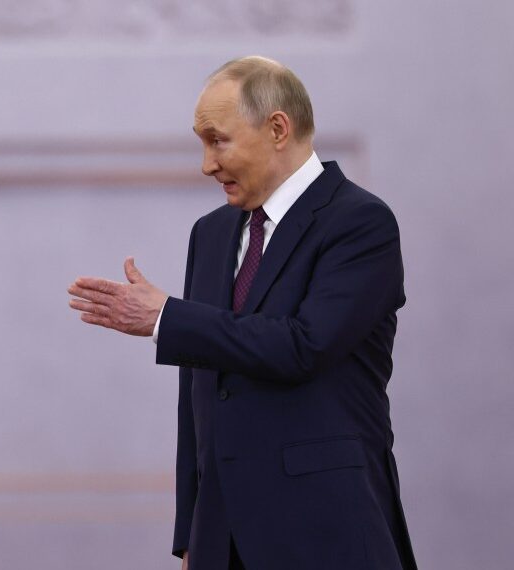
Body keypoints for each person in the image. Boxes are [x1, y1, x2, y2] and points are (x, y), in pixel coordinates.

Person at [68, 56, 416, 570]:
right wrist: (191, 532)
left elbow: (304, 346)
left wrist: (167, 318)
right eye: (201, 143)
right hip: (221, 540)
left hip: (327, 531)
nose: (207, 163)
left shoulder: (361, 223)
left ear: (278, 128)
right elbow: (199, 393)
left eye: (218, 140)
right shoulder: (209, 235)